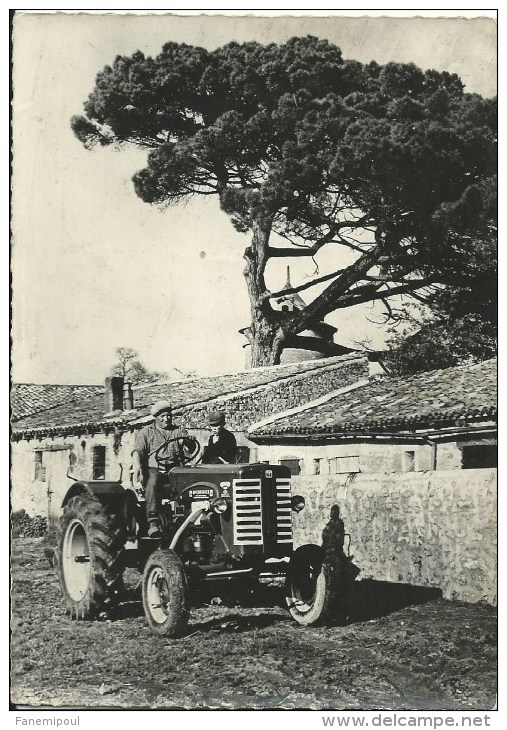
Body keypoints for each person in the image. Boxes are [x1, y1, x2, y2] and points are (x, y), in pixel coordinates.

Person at [132, 400, 188, 538]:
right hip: (155, 469)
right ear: (156, 417)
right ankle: (153, 522)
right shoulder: (146, 433)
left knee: (191, 482)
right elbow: (137, 451)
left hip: (175, 469)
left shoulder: (178, 431)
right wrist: (137, 466)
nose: (166, 418)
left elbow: (189, 447)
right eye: (162, 416)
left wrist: (186, 442)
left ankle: (188, 520)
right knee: (153, 481)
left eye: (168, 415)